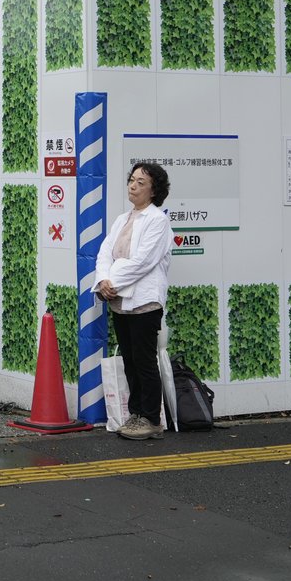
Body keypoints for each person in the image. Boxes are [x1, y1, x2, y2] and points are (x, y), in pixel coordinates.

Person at [94, 162, 173, 441]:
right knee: (129, 359)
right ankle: (136, 414)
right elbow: (106, 252)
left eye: (141, 182)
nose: (133, 185)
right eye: (132, 180)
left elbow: (142, 262)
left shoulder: (157, 221)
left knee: (144, 360)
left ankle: (151, 418)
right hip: (120, 301)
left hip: (144, 302)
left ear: (153, 191)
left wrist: (110, 283)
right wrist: (102, 279)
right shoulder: (122, 219)